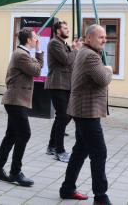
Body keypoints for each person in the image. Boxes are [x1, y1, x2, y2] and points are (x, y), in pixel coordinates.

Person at [58, 24, 113, 203]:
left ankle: (67, 188)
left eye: (105, 36)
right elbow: (103, 79)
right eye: (100, 37)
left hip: (82, 109)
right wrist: (109, 69)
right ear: (89, 38)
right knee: (99, 152)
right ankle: (100, 196)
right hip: (87, 111)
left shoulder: (85, 51)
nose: (105, 40)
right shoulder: (90, 55)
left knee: (80, 150)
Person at [0, 27, 43, 187]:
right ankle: (15, 172)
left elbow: (35, 68)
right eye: (35, 37)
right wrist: (40, 52)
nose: (37, 40)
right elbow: (37, 70)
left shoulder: (23, 54)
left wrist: (36, 55)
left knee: (11, 135)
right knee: (24, 134)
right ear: (28, 39)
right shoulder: (21, 55)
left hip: (16, 100)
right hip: (15, 100)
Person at [45, 21, 80, 162]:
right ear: (58, 31)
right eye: (65, 28)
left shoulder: (63, 44)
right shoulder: (55, 43)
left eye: (68, 27)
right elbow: (66, 60)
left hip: (66, 84)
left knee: (63, 116)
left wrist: (73, 49)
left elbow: (72, 61)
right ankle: (59, 150)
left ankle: (52, 146)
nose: (68, 30)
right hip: (57, 84)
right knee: (63, 116)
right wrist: (75, 50)